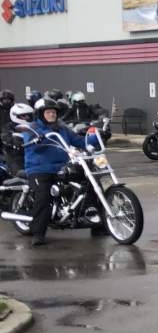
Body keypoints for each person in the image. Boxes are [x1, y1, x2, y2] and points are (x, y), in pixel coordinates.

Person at [20, 98, 97, 246]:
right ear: (41, 114)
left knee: (90, 183)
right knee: (43, 196)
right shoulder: (32, 127)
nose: (52, 115)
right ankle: (38, 233)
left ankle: (98, 223)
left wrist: (96, 138)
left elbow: (79, 141)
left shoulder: (62, 128)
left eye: (54, 112)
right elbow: (29, 141)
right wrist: (37, 139)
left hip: (62, 166)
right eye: (48, 112)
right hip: (39, 169)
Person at [4, 100, 34, 176]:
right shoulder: (9, 127)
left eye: (29, 115)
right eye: (24, 116)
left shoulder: (34, 126)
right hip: (17, 161)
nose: (27, 117)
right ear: (15, 115)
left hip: (34, 159)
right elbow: (7, 138)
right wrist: (16, 139)